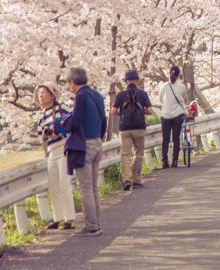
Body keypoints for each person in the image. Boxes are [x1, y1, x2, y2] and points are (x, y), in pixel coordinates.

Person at [55, 67, 106, 236]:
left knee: (85, 188)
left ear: (72, 82)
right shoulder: (97, 95)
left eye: (68, 83)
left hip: (86, 146)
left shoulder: (81, 96)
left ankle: (91, 225)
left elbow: (76, 121)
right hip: (98, 143)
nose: (69, 87)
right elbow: (104, 120)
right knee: (93, 187)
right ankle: (96, 223)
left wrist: (62, 121)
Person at [35, 81, 76, 230]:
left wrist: (58, 132)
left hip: (64, 147)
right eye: (39, 94)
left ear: (53, 95)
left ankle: (70, 218)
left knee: (64, 185)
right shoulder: (41, 115)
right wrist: (46, 136)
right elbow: (40, 136)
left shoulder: (62, 108)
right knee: (53, 186)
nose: (40, 96)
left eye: (43, 93)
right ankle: (59, 218)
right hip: (51, 151)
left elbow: (72, 124)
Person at [112, 69, 154, 190]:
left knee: (125, 155)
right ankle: (136, 180)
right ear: (137, 80)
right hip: (139, 128)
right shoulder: (142, 94)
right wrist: (140, 113)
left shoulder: (120, 95)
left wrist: (123, 114)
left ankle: (126, 180)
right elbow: (150, 111)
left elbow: (113, 111)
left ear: (125, 82)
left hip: (124, 129)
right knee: (139, 154)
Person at [157, 65, 187, 168]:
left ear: (169, 74)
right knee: (176, 138)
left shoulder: (164, 86)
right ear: (179, 75)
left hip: (165, 115)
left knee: (165, 139)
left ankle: (164, 161)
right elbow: (183, 97)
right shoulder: (182, 87)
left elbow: (161, 100)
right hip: (177, 115)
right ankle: (175, 161)